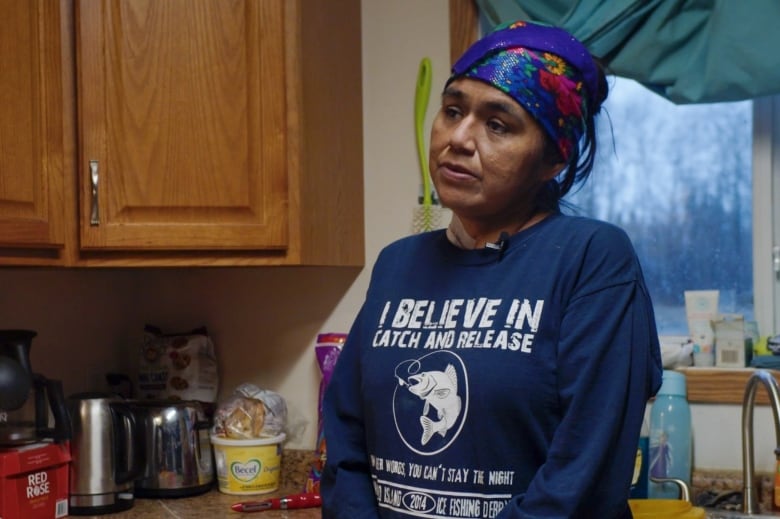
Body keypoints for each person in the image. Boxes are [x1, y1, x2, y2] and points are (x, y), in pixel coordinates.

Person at [321, 19, 663, 519]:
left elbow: (581, 478)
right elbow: (346, 437)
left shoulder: (592, 259)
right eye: (453, 110)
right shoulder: (399, 263)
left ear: (553, 158)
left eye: (497, 124)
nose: (458, 138)